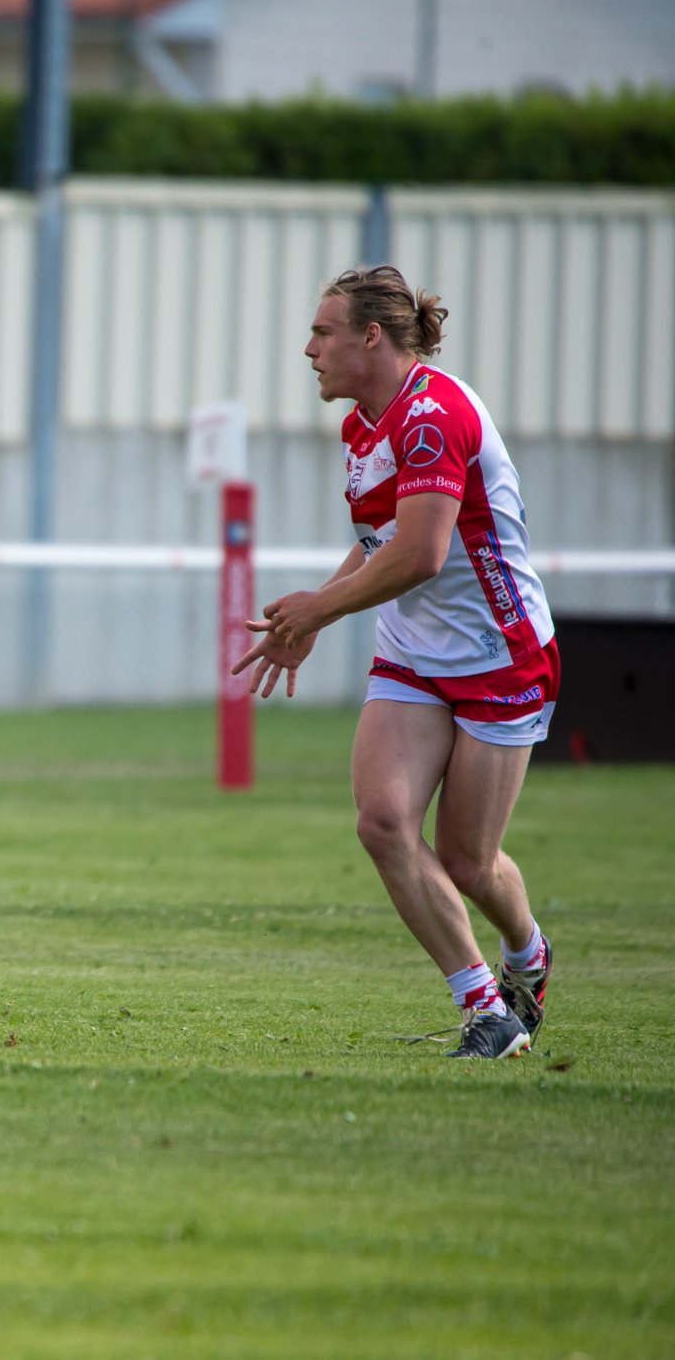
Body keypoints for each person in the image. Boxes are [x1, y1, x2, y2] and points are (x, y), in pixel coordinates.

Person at [234, 265, 555, 1060]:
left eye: (321, 332)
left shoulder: (430, 417)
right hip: (414, 652)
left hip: (498, 653)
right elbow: (384, 539)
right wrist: (321, 611)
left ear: (369, 337)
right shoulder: (364, 426)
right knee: (382, 822)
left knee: (467, 861)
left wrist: (322, 606)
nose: (309, 349)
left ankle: (528, 953)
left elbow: (421, 552)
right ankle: (486, 1006)